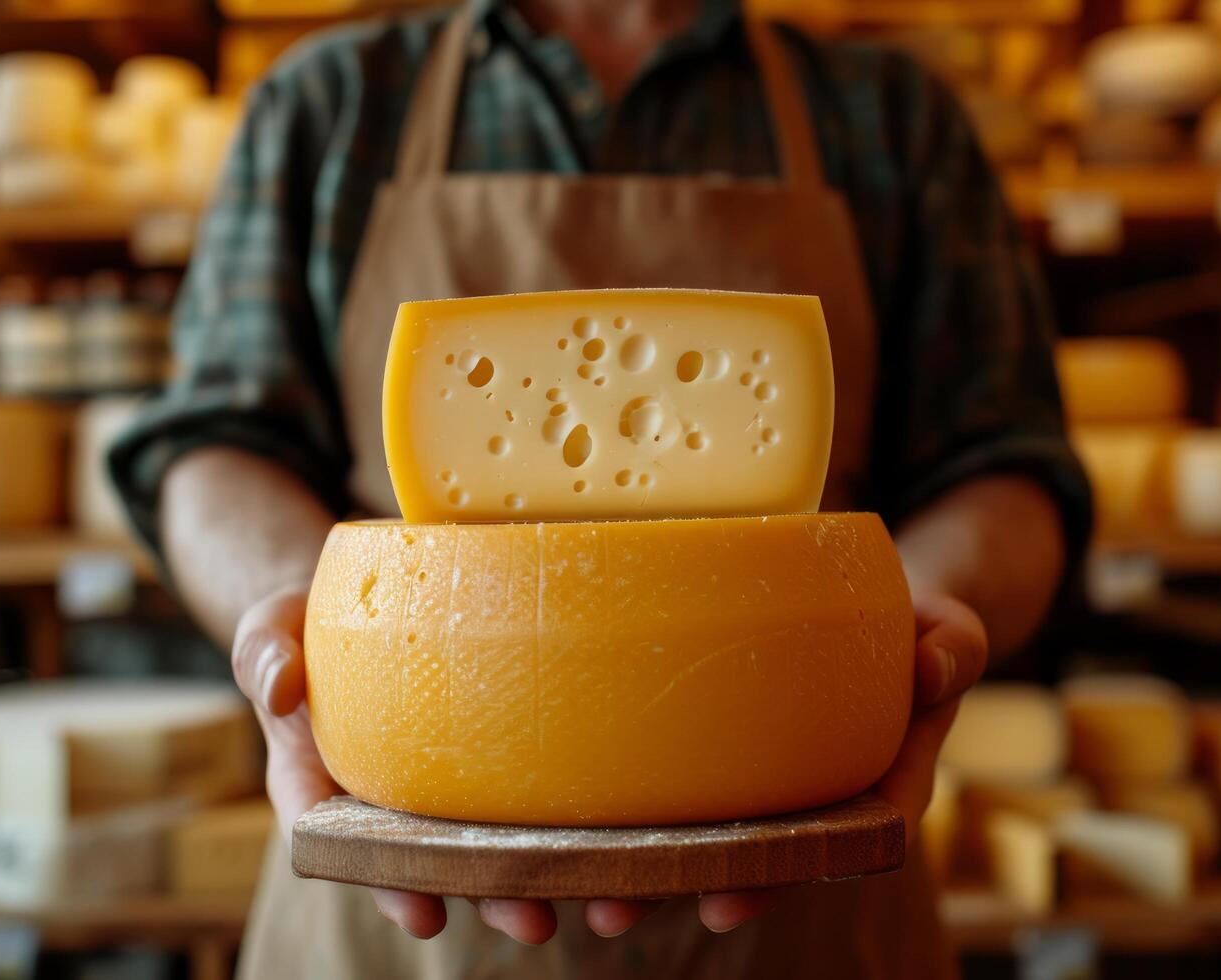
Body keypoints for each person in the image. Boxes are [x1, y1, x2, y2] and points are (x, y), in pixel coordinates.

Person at [110, 0, 1091, 975]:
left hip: (802, 844)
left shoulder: (888, 114)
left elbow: (1004, 461)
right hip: (408, 862)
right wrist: (319, 626)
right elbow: (215, 442)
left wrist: (891, 631)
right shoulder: (329, 102)